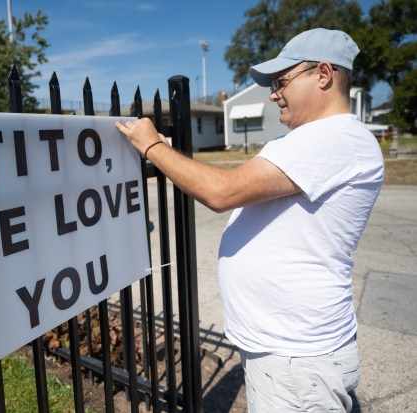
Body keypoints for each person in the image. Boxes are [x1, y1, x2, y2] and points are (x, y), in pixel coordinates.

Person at [116, 28, 384, 412]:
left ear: (323, 75)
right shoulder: (313, 140)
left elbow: (222, 192)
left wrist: (153, 147)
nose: (274, 93)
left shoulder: (336, 138)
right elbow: (240, 185)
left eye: (282, 81)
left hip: (295, 355)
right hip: (284, 349)